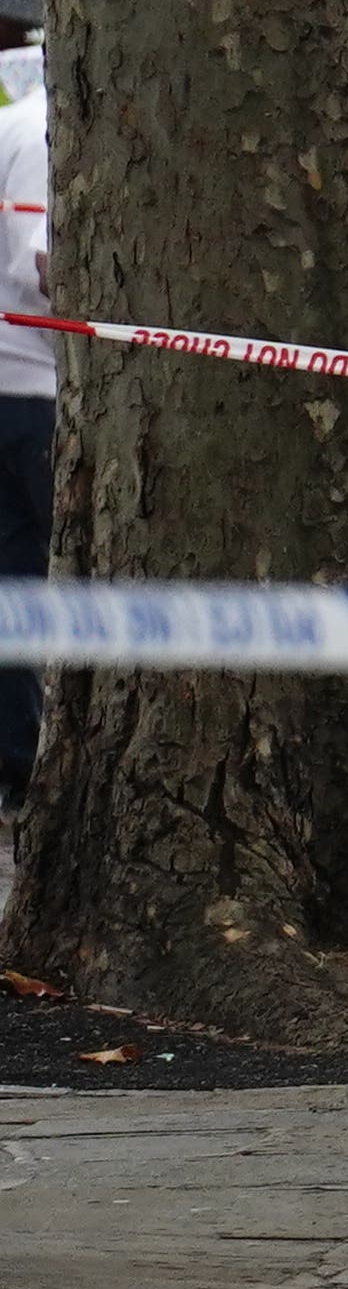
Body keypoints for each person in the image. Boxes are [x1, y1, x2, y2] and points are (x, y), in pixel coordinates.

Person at [0, 62, 50, 805]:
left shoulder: (13, 119)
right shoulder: (44, 132)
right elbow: (41, 264)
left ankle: (13, 763)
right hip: (38, 389)